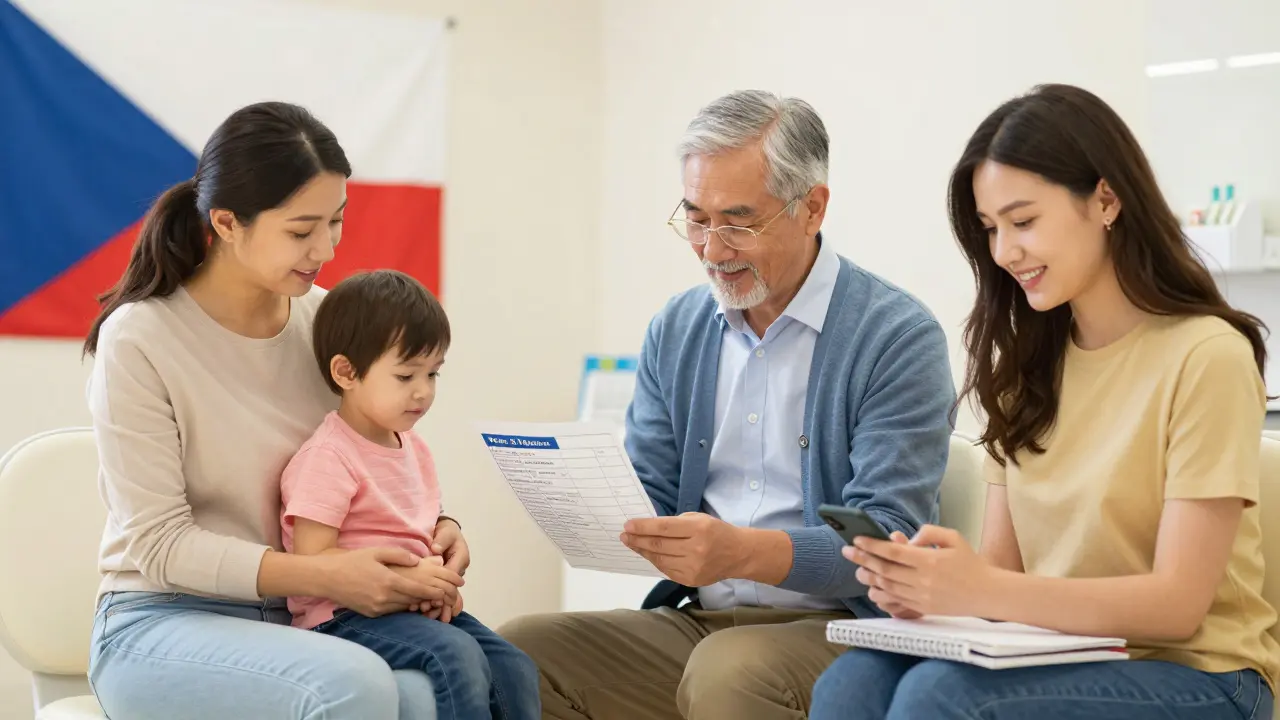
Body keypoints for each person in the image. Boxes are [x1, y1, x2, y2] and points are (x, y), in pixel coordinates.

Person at [810, 83, 1279, 720]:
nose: (1003, 253)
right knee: (851, 684)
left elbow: (1178, 606)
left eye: (1024, 221)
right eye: (990, 229)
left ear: (1106, 199)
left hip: (1202, 677)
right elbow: (1005, 577)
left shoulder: (1206, 356)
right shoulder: (1024, 370)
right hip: (1061, 657)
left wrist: (986, 586)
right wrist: (935, 589)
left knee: (939, 698)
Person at [499, 90, 956, 720]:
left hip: (840, 632)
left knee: (730, 672)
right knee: (517, 652)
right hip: (699, 623)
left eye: (738, 222)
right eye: (695, 217)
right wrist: (579, 497)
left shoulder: (896, 336)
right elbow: (653, 492)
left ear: (812, 208)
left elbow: (885, 537)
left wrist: (741, 552)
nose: (712, 249)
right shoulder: (678, 328)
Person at [84, 101, 468, 719]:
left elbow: (367, 453)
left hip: (307, 619)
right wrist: (326, 577)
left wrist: (438, 528)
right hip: (161, 621)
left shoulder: (328, 320)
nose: (327, 249)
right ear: (228, 222)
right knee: (355, 686)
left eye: (336, 222)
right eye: (300, 230)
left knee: (431, 694)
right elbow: (159, 546)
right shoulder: (140, 338)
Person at [280, 269, 540, 720]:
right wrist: (409, 582)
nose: (423, 392)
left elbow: (418, 523)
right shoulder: (328, 456)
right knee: (454, 656)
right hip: (345, 615)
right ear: (346, 373)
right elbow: (311, 559)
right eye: (405, 376)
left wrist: (439, 551)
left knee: (514, 666)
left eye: (433, 373)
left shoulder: (412, 446)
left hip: (410, 609)